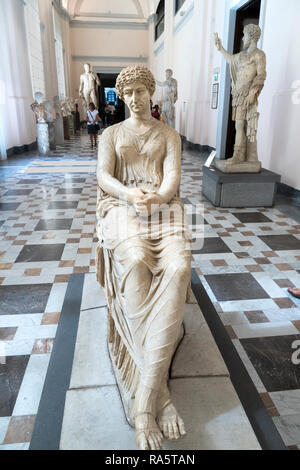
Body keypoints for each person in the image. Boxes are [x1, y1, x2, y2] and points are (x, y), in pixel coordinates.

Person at [96, 66, 191, 451]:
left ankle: (146, 395)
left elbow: (172, 180)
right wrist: (126, 194)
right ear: (121, 96)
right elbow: (103, 175)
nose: (135, 98)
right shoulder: (110, 134)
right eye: (128, 92)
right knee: (134, 261)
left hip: (163, 209)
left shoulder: (169, 135)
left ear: (152, 93)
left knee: (179, 266)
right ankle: (155, 400)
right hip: (121, 207)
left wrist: (158, 198)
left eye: (140, 91)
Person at [215, 24, 266, 168]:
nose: (243, 39)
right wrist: (220, 48)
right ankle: (240, 155)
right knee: (239, 125)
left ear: (251, 36)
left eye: (244, 35)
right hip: (238, 94)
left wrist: (252, 92)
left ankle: (239, 155)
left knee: (242, 124)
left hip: (248, 94)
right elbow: (230, 59)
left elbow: (261, 75)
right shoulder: (241, 56)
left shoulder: (259, 54)